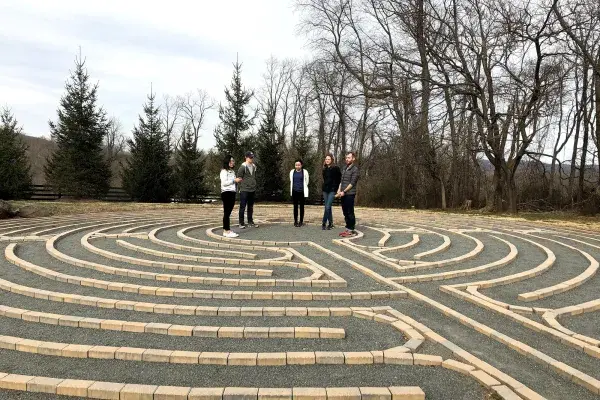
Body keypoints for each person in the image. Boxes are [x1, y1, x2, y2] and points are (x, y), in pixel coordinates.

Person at [336, 151, 360, 237]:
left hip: (349, 194)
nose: (347, 159)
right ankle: (347, 227)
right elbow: (341, 181)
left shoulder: (355, 170)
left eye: (349, 158)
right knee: (345, 211)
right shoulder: (344, 168)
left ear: (353, 158)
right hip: (342, 193)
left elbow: (352, 183)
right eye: (346, 158)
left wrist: (344, 191)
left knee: (350, 211)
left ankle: (351, 229)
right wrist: (339, 190)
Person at [220, 155, 243, 238]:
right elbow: (224, 183)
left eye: (233, 161)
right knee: (227, 212)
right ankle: (226, 230)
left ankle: (227, 230)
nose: (233, 162)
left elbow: (232, 182)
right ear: (227, 162)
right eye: (231, 161)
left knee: (228, 212)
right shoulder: (224, 171)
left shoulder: (232, 171)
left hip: (232, 192)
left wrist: (237, 180)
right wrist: (234, 180)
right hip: (226, 192)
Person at [237, 151, 258, 228]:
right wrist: (242, 186)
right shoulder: (243, 167)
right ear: (246, 157)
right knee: (242, 206)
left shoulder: (254, 166)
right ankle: (241, 223)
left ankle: (250, 221)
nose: (251, 158)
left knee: (250, 206)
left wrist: (253, 184)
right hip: (244, 190)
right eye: (250, 157)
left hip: (252, 189)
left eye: (252, 157)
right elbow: (239, 177)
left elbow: (253, 177)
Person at [321, 153, 341, 230]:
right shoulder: (324, 169)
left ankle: (323, 222)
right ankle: (331, 223)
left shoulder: (336, 168)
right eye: (326, 159)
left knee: (328, 206)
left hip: (332, 190)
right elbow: (325, 179)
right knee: (328, 207)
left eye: (328, 159)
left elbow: (339, 179)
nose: (327, 160)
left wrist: (338, 189)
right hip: (325, 190)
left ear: (332, 160)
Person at [289, 159, 309, 227]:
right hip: (295, 191)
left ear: (301, 165)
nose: (297, 166)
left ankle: (301, 221)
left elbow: (307, 181)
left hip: (302, 192)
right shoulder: (292, 172)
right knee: (295, 207)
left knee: (302, 207)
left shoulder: (305, 172)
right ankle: (295, 221)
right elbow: (291, 180)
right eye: (296, 165)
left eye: (299, 165)